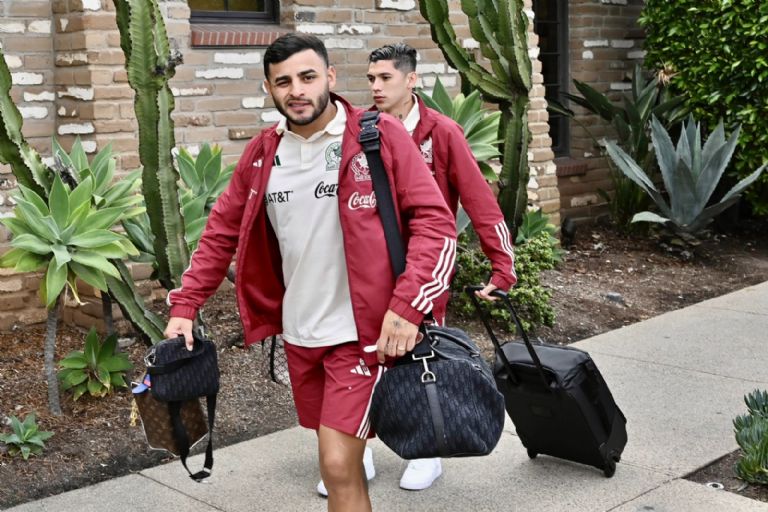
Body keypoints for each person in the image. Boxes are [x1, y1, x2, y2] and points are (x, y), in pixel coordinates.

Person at [163, 33, 457, 512]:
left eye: (307, 77)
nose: (296, 90)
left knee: (337, 466)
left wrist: (408, 306)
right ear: (269, 88)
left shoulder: (378, 136)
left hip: (362, 335)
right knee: (341, 469)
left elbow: (435, 224)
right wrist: (185, 305)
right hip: (300, 334)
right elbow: (220, 233)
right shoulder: (263, 153)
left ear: (330, 77)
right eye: (283, 82)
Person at [364, 43, 517, 492]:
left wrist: (502, 268)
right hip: (368, 270)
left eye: (386, 78)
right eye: (371, 79)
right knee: (363, 360)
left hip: (425, 269)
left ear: (411, 80)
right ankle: (357, 450)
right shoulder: (361, 129)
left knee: (422, 356)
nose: (376, 87)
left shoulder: (443, 132)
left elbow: (480, 201)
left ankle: (427, 452)